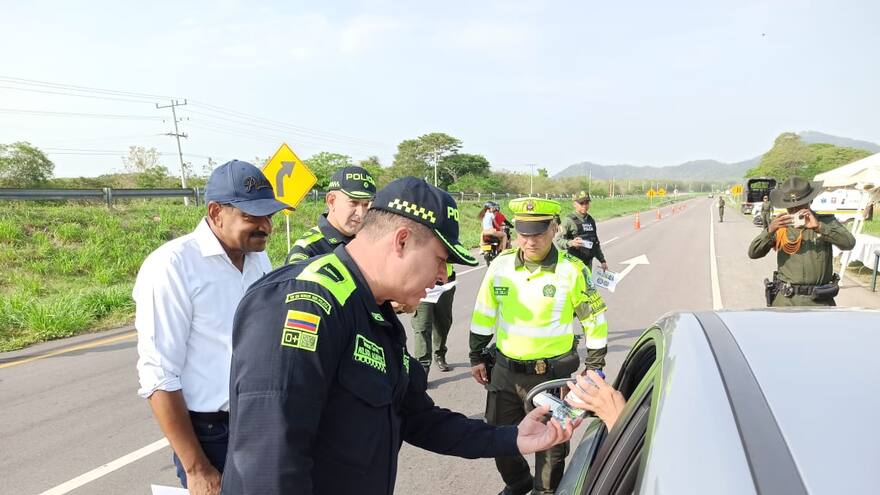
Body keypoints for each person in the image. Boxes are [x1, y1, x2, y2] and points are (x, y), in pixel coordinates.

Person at [221, 177, 578, 495]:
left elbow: (420, 418)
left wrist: (513, 436)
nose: (442, 277)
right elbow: (268, 464)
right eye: (439, 260)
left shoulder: (375, 313)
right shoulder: (306, 304)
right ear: (402, 241)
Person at [134, 160, 288, 494]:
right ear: (216, 211)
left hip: (260, 422)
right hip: (212, 435)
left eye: (270, 216)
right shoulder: (172, 266)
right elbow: (158, 375)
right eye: (252, 217)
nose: (267, 227)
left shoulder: (258, 258)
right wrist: (197, 467)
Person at [469, 197, 609, 495]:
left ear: (554, 229)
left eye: (538, 233)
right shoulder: (500, 266)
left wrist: (594, 367)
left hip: (552, 378)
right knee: (500, 441)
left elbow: (594, 320)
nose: (529, 241)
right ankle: (518, 484)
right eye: (523, 233)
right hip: (505, 374)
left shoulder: (572, 270)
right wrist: (476, 355)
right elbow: (484, 312)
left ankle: (545, 492)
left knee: (552, 449)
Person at [748, 176, 855, 307]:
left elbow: (849, 243)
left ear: (810, 201)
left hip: (819, 301)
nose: (795, 210)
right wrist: (770, 230)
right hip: (787, 300)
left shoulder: (825, 222)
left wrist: (819, 227)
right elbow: (753, 253)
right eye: (790, 207)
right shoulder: (780, 226)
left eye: (800, 205)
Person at [284, 165, 376, 263]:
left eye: (366, 205)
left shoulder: (370, 242)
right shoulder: (308, 250)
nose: (361, 213)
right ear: (331, 201)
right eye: (353, 202)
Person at [411, 263, 456, 375]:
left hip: (444, 284)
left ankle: (439, 353)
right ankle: (423, 366)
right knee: (422, 326)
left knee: (443, 324)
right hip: (421, 284)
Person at [554, 191, 608, 272]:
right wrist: (571, 243)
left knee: (587, 284)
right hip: (573, 265)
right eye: (581, 203)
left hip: (587, 264)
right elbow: (558, 240)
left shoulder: (590, 220)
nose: (585, 206)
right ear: (574, 204)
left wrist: (602, 261)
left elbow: (595, 242)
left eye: (587, 203)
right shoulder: (568, 220)